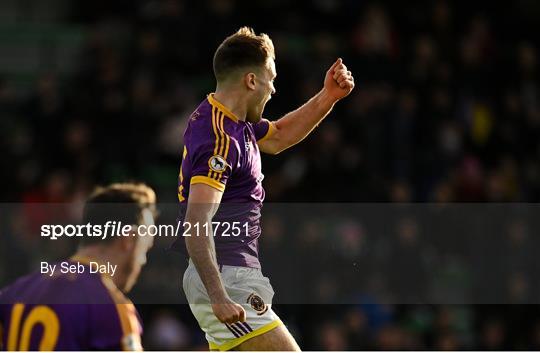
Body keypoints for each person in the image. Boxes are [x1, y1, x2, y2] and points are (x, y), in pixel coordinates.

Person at [172, 27, 354, 351]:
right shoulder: (219, 139)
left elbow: (281, 135)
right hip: (226, 277)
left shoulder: (234, 122)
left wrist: (328, 96)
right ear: (251, 81)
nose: (273, 88)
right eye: (270, 78)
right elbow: (196, 220)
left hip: (231, 274)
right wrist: (219, 295)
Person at [0, 183, 156, 351]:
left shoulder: (16, 291)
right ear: (129, 239)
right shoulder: (112, 308)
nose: (144, 260)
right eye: (145, 249)